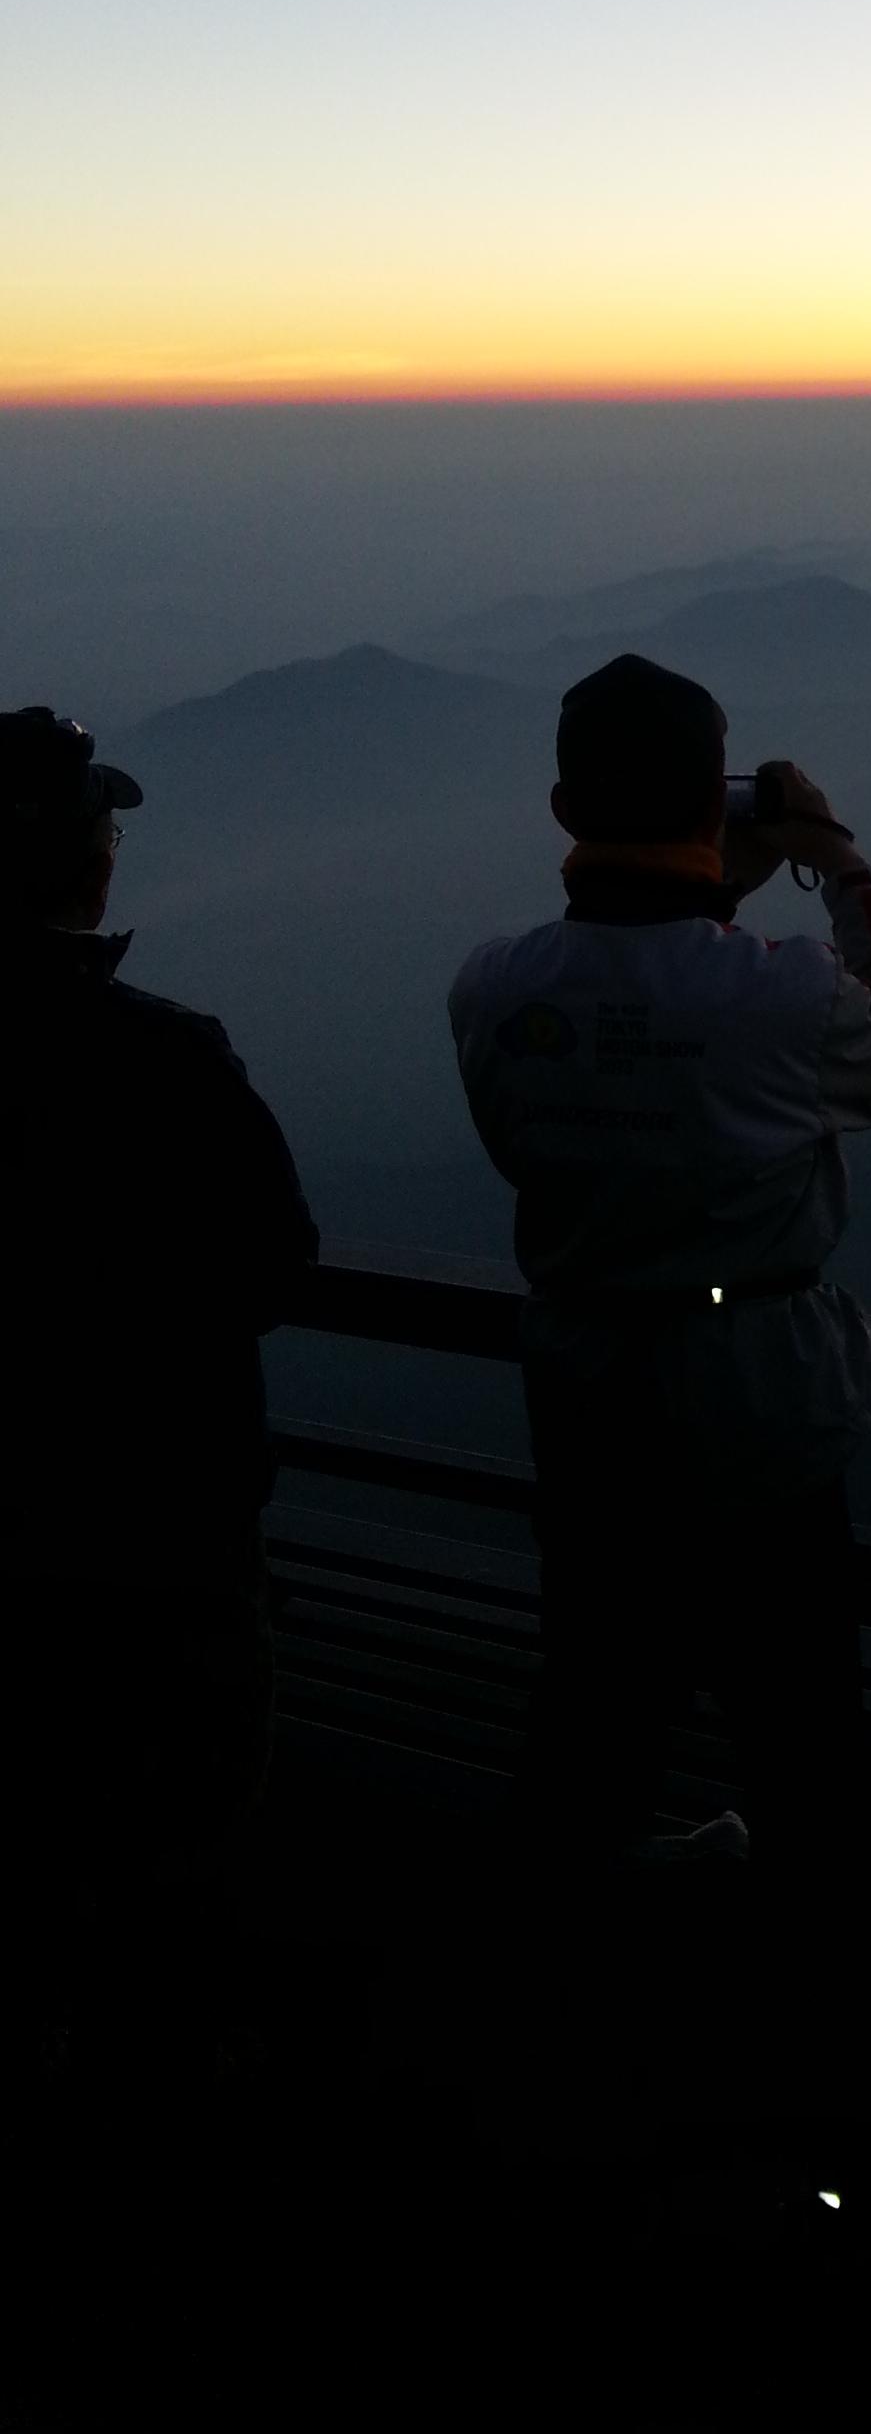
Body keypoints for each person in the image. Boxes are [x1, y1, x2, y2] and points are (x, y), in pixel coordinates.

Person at [448, 651, 871, 2162]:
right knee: (806, 1745)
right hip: (757, 1413)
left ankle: (536, 2047)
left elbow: (646, 1022)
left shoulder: (493, 986)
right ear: (709, 803)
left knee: (590, 1713)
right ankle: (834, 2080)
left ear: (560, 806)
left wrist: (712, 890)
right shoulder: (781, 997)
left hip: (587, 1395)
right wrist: (832, 855)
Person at [0, 706, 318, 2083]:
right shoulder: (167, 1061)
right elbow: (269, 1263)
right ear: (91, 866)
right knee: (167, 1862)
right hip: (162, 1556)